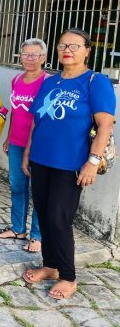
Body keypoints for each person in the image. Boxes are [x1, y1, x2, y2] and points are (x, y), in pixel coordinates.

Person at [22, 28, 115, 300]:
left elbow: (105, 125)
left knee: (58, 218)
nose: (68, 50)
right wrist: (28, 153)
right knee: (43, 213)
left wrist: (92, 162)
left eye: (75, 46)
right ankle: (50, 266)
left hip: (71, 163)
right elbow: (37, 120)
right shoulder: (50, 82)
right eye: (63, 45)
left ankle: (68, 276)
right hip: (41, 158)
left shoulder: (95, 82)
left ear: (87, 51)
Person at [0, 38, 47, 252]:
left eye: (35, 55)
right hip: (16, 143)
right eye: (26, 54)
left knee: (39, 191)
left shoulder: (48, 82)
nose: (30, 59)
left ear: (43, 58)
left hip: (39, 146)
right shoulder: (17, 79)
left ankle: (37, 235)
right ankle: (18, 229)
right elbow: (15, 112)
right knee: (17, 186)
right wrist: (9, 137)